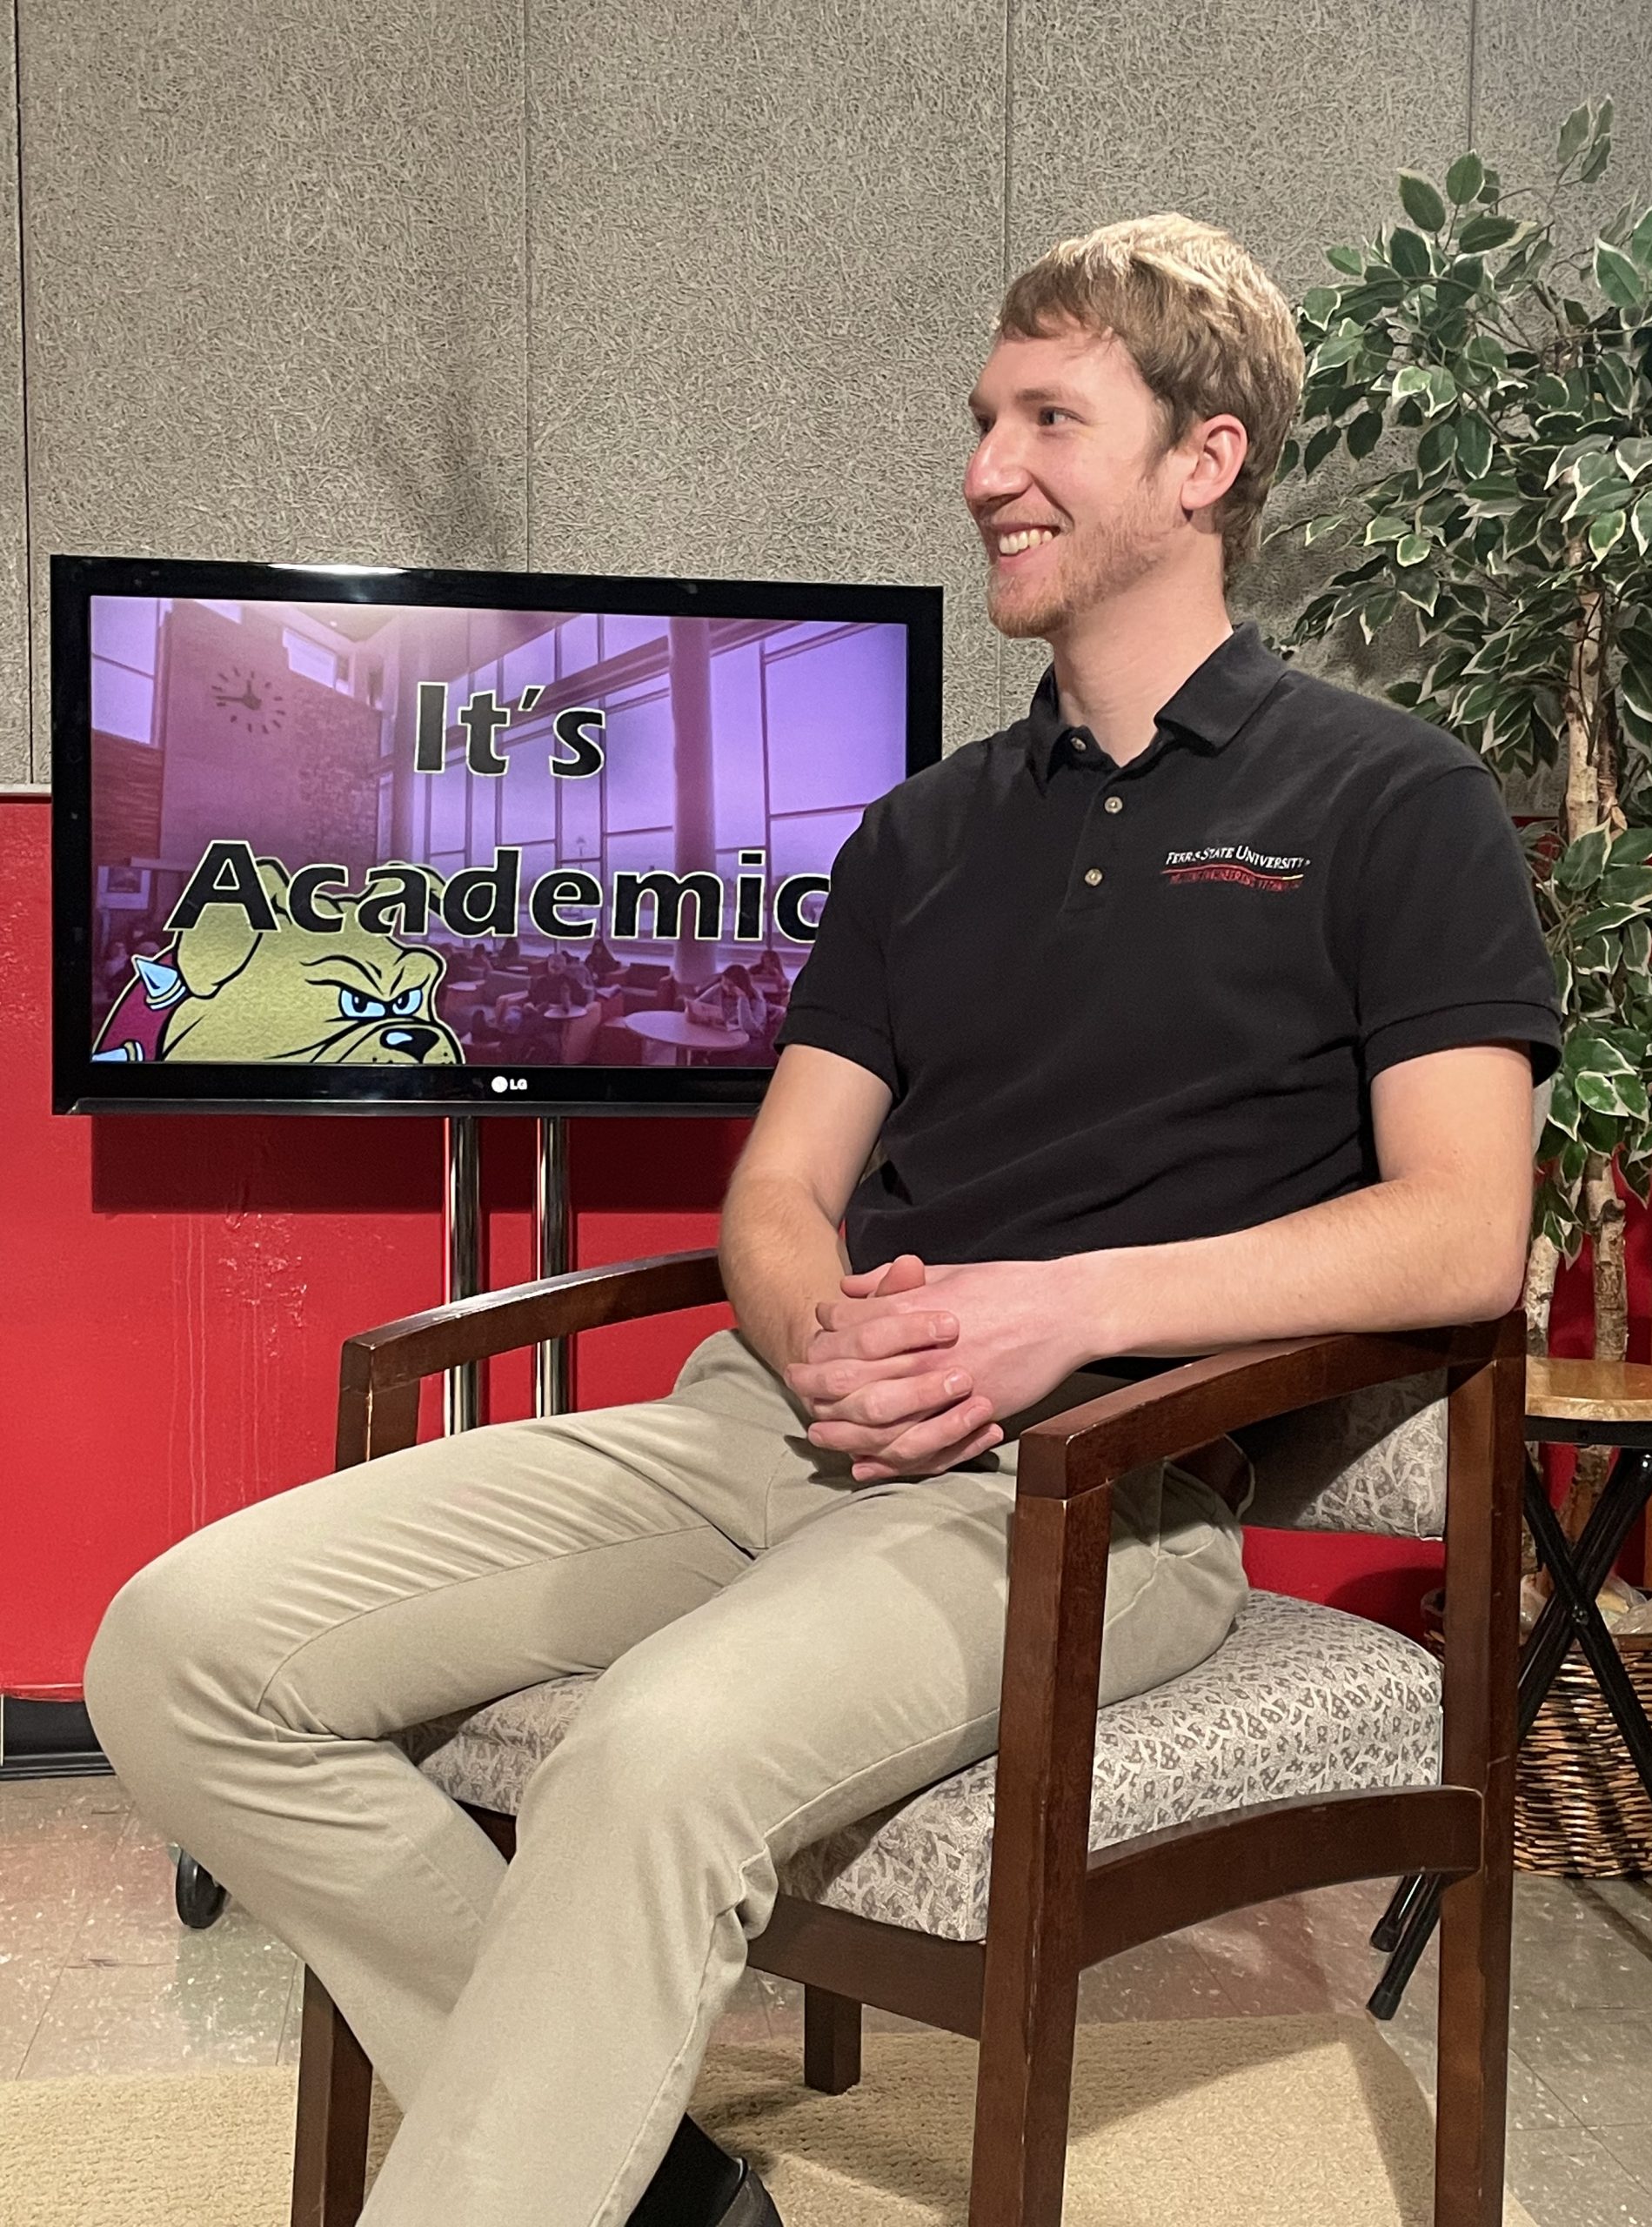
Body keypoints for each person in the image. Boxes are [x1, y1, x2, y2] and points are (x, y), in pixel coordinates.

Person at [82, 214, 1561, 2227]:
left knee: (650, 1752)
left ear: (1206, 458)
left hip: (1095, 1495)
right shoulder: (923, 831)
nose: (985, 467)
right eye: (982, 418)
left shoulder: (1394, 801)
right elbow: (779, 1186)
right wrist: (817, 1337)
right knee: (181, 1654)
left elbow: (1461, 1231)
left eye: (1050, 418)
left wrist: (1058, 1313)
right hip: (768, 1422)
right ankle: (651, 2181)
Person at [684, 963, 769, 1035]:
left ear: (741, 985)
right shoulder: (719, 989)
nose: (727, 989)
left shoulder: (757, 999)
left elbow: (748, 1029)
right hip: (723, 1033)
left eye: (731, 986)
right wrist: (697, 1015)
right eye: (724, 984)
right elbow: (696, 1005)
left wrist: (743, 999)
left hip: (749, 1038)